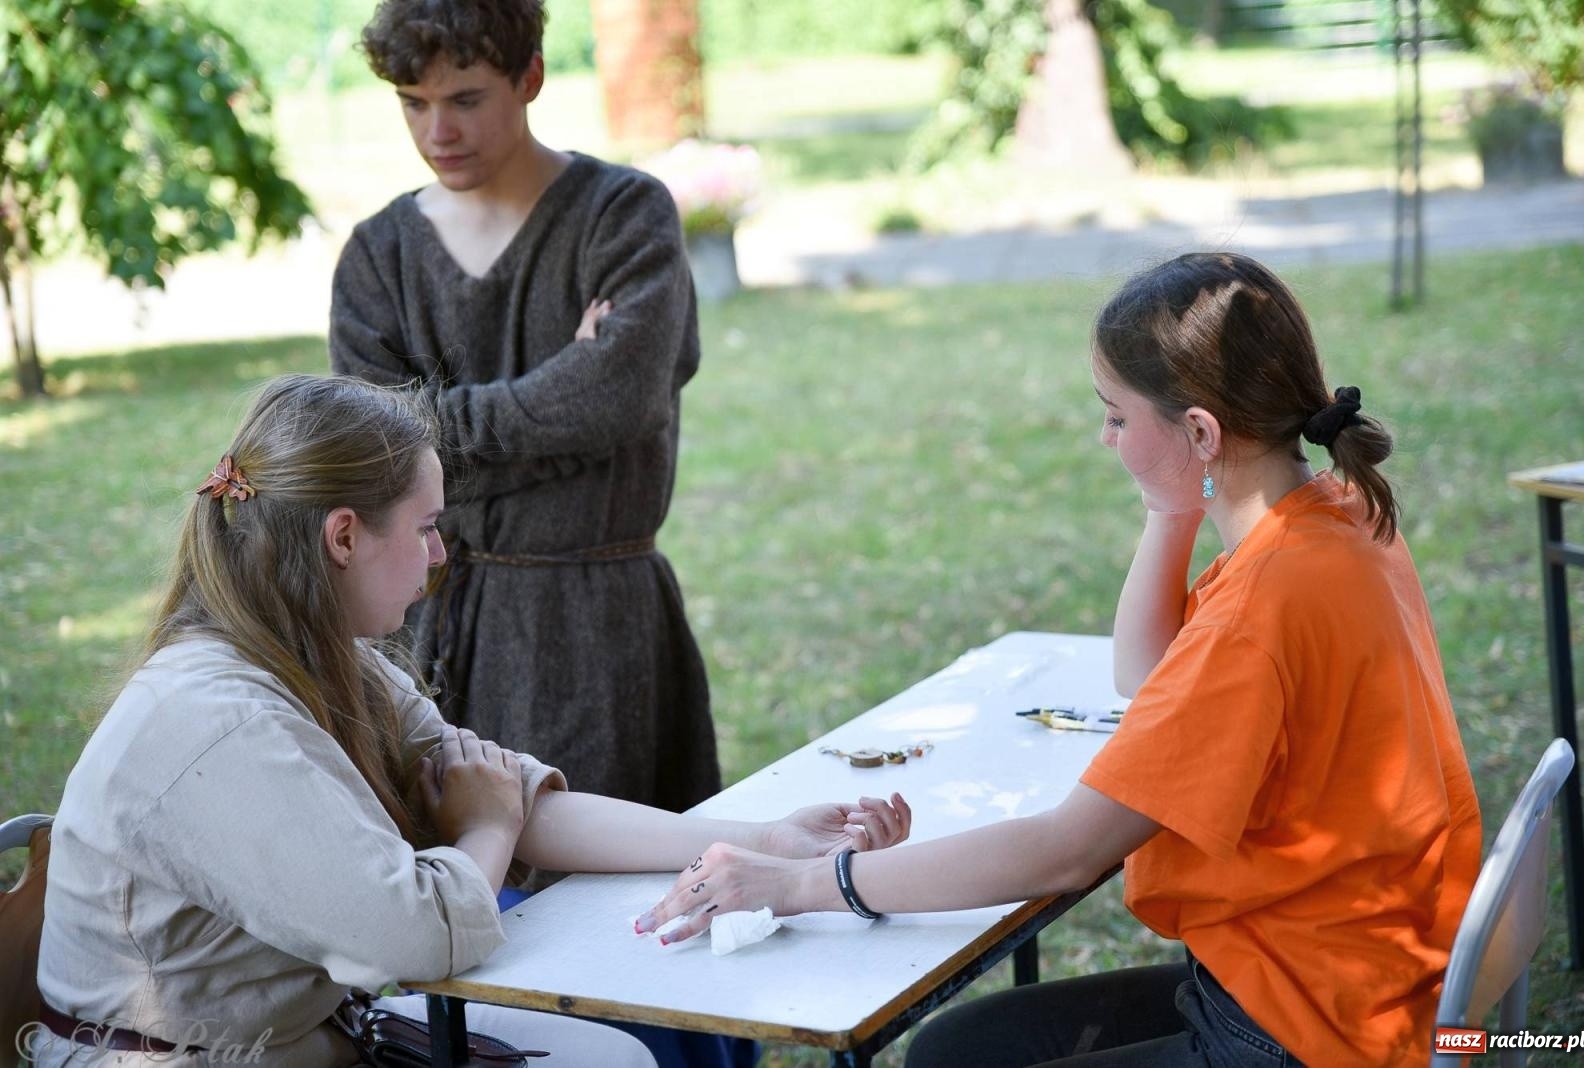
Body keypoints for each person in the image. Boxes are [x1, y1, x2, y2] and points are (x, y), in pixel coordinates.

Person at [637, 253, 1483, 1067]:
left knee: (946, 1056)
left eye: (1117, 417)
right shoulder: (1337, 516)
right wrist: (1170, 505)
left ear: (1199, 429)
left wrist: (804, 883)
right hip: (1368, 981)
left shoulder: (1262, 611)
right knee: (955, 1049)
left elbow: (1066, 850)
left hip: (1306, 1028)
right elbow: (1148, 674)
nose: (1103, 437)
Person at [28, 374, 911, 1068]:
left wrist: (760, 838)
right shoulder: (217, 722)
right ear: (343, 537)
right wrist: (484, 828)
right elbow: (415, 932)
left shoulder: (323, 659)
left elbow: (519, 798)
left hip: (306, 1040)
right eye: (426, 525)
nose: (442, 552)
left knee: (613, 1054)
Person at [328, 0, 718, 814]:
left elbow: (620, 399)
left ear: (530, 77)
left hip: (596, 623)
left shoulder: (624, 216)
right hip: (426, 628)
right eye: (413, 102)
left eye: (465, 98)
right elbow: (375, 455)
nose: (439, 130)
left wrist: (437, 431)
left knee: (616, 895)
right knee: (454, 896)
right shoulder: (377, 255)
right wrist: (566, 390)